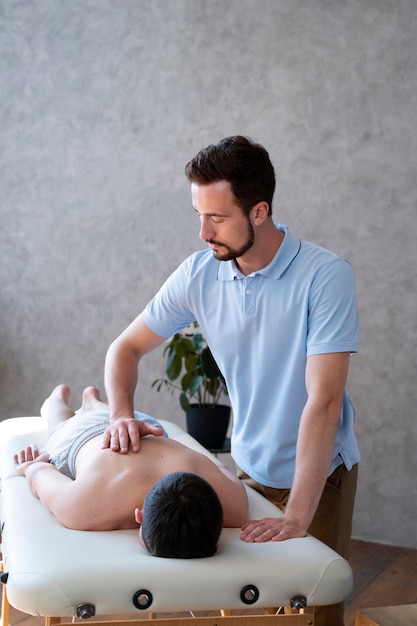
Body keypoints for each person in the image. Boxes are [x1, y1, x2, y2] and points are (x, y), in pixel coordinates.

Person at [103, 136, 360, 625]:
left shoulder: (325, 276)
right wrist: (120, 414)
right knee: (251, 607)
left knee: (315, 607)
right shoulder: (199, 275)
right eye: (199, 215)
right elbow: (125, 349)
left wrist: (297, 517)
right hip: (248, 467)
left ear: (259, 211)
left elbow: (323, 402)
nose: (203, 232)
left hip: (318, 478)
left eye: (217, 218)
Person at [14, 384, 248, 558]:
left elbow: (221, 468)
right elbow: (38, 474)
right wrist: (34, 465)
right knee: (58, 423)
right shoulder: (81, 507)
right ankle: (56, 399)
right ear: (139, 516)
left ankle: (92, 402)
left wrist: (35, 467)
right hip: (83, 436)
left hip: (143, 426)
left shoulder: (234, 505)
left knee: (107, 416)